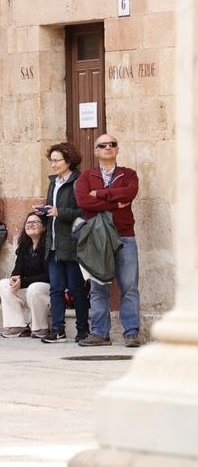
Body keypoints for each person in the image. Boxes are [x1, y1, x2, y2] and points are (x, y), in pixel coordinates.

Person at [75, 134, 141, 348]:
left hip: (124, 235)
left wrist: (100, 195)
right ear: (95, 151)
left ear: (117, 149)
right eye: (102, 145)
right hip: (97, 238)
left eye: (112, 144)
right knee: (98, 287)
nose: (108, 147)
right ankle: (100, 333)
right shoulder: (86, 176)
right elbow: (83, 201)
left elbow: (130, 192)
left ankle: (131, 333)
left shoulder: (128, 174)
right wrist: (114, 201)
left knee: (129, 286)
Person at [34, 142, 87, 344]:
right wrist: (45, 211)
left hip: (72, 244)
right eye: (52, 160)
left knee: (76, 288)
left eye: (57, 160)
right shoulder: (53, 182)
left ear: (69, 161)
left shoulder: (79, 181)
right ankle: (58, 330)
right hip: (54, 243)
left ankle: (83, 330)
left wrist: (60, 212)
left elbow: (84, 212)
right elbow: (54, 209)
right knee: (55, 288)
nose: (54, 164)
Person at [0, 213, 51, 338]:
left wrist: (24, 281)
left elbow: (48, 276)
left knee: (34, 288)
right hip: (30, 292)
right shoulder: (24, 247)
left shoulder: (48, 247)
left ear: (44, 227)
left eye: (35, 222)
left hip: (48, 293)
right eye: (28, 222)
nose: (30, 224)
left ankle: (40, 327)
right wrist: (15, 278)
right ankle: (17, 326)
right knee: (4, 284)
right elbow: (17, 271)